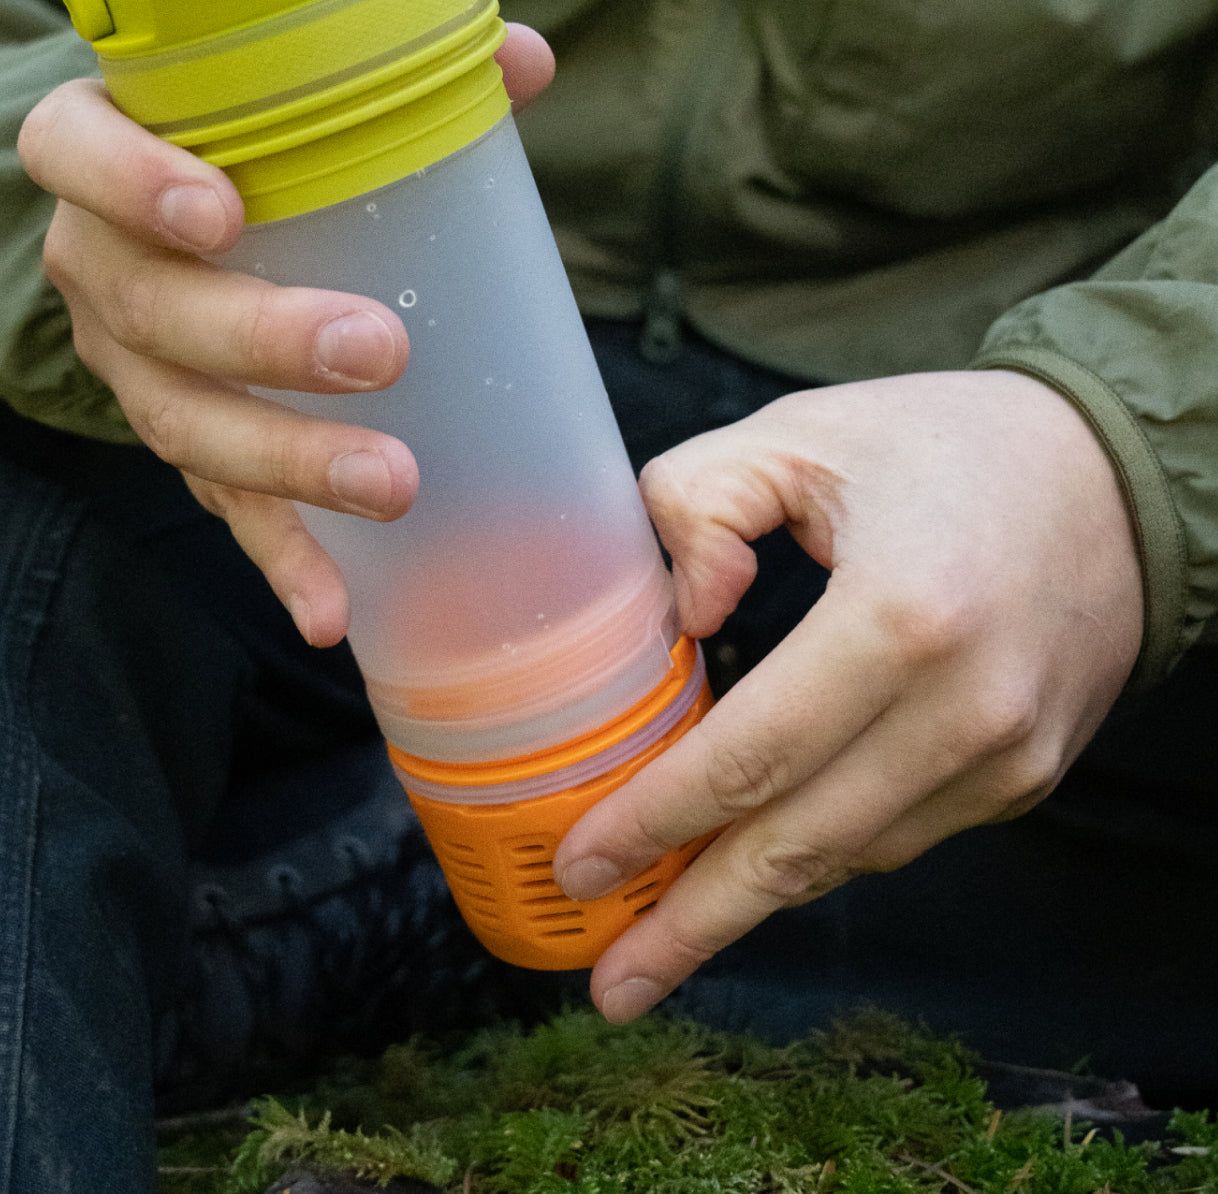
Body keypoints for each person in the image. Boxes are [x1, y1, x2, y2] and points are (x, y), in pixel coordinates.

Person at [3, 0, 1218, 1186]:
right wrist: (85, 225)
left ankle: (298, 913)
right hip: (362, 369)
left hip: (973, 431)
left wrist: (1124, 438)